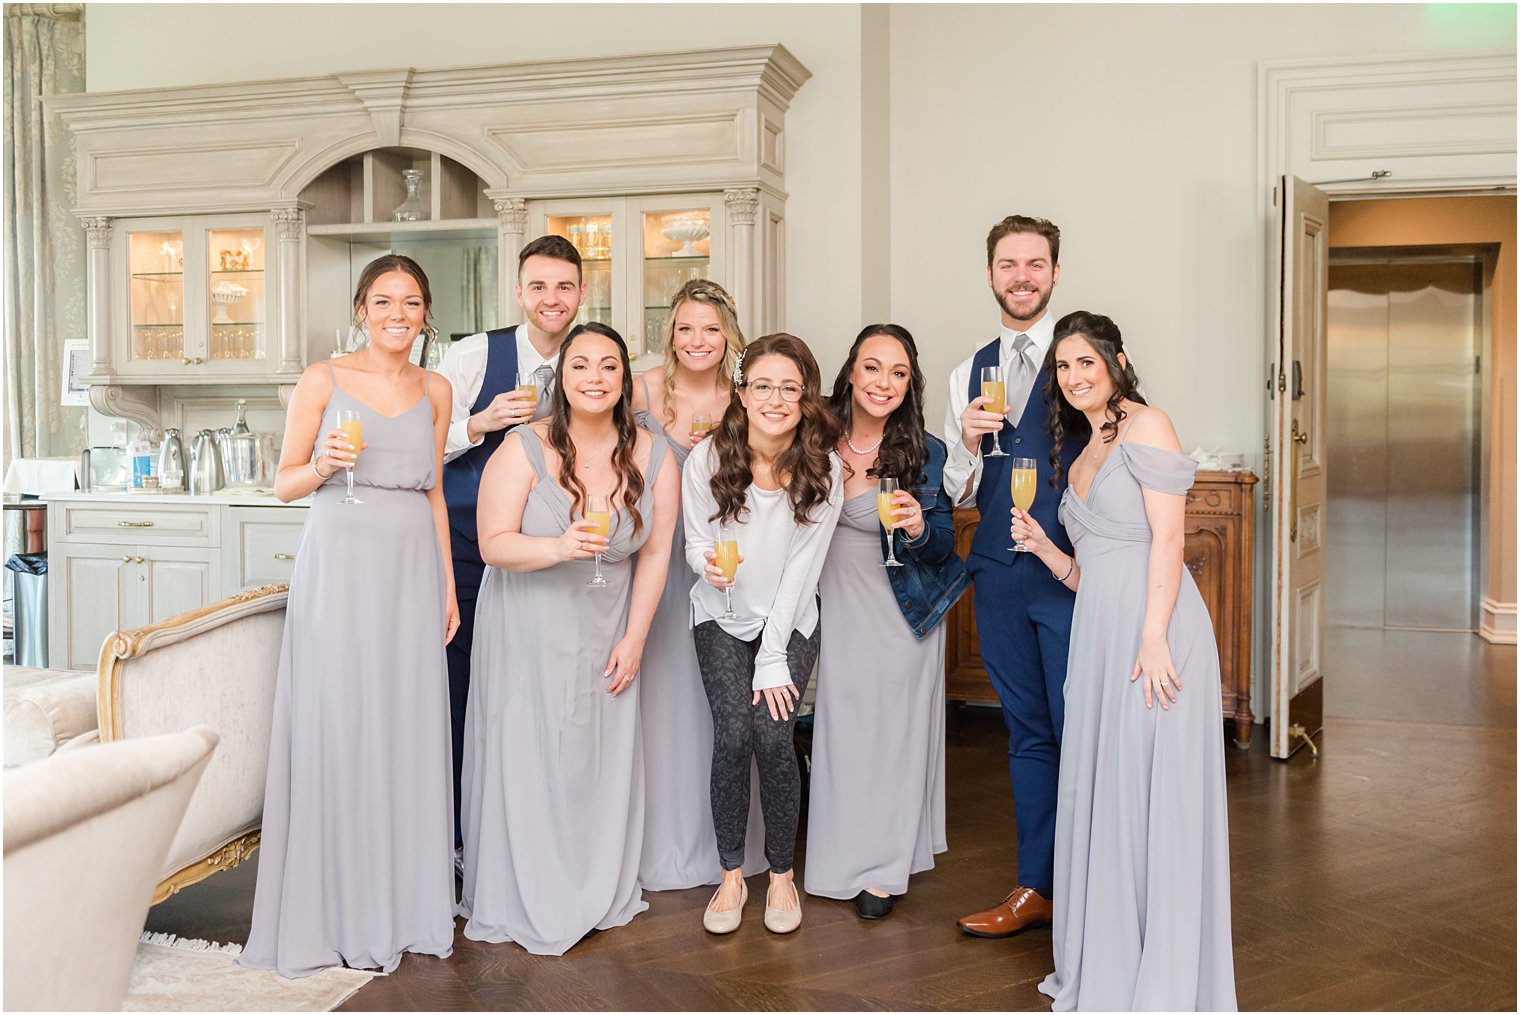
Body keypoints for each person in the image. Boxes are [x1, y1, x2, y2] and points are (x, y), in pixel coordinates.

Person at [1011, 312, 1237, 1010]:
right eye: (1063, 367)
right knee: (1105, 792)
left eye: (1087, 362)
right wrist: (1048, 551)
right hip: (1102, 634)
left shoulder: (1148, 424)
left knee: (1151, 795)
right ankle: (1110, 957)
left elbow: (1167, 541)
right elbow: (1094, 570)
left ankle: (1161, 978)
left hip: (1156, 635)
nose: (1075, 377)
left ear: (1117, 360)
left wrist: (1154, 633)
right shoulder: (1080, 449)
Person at [240, 254, 457, 976]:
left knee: (402, 724)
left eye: (413, 302)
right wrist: (325, 464)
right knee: (340, 720)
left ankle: (398, 904)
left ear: (427, 313)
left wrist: (450, 588)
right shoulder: (322, 379)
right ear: (362, 308)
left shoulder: (437, 388)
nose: (399, 314)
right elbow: (282, 485)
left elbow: (431, 492)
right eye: (385, 301)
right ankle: (330, 906)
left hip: (410, 568)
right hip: (338, 564)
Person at [459, 321, 677, 956]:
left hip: (609, 626)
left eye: (609, 367)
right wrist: (557, 546)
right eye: (581, 366)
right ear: (563, 378)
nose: (595, 379)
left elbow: (658, 552)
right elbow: (493, 544)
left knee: (594, 756)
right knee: (534, 754)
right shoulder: (524, 447)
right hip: (529, 627)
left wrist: (636, 636)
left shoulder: (651, 452)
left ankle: (593, 883)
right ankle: (532, 890)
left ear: (624, 379)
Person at [943, 215, 1078, 938]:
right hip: (997, 574)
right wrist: (963, 444)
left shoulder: (1082, 357)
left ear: (1055, 272)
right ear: (991, 273)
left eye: (1035, 263)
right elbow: (961, 491)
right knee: (1026, 733)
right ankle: (1036, 887)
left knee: (1080, 728)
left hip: (1067, 577)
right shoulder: (971, 369)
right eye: (1008, 264)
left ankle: (1092, 883)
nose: (1021, 276)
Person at [805, 324, 969, 919]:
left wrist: (920, 529)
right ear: (851, 371)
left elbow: (945, 541)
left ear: (910, 384)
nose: (884, 383)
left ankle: (883, 869)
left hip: (903, 608)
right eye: (873, 368)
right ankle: (841, 854)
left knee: (895, 738)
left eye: (898, 373)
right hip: (833, 606)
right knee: (844, 734)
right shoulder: (811, 434)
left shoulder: (925, 451)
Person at [683, 333, 843, 935]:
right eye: (763, 386)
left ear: (806, 399)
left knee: (774, 738)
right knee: (731, 736)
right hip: (720, 616)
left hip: (789, 620)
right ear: (743, 392)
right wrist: (707, 565)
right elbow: (696, 543)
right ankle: (731, 876)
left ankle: (780, 875)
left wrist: (773, 655)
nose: (775, 399)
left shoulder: (824, 470)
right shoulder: (705, 459)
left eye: (790, 389)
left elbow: (803, 574)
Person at [435, 234, 583, 857]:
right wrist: (478, 423)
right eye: (540, 286)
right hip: (471, 549)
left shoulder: (591, 359)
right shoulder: (473, 357)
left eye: (565, 286)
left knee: (538, 694)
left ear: (581, 293)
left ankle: (533, 827)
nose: (552, 299)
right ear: (519, 293)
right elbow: (417, 443)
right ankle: (460, 836)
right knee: (463, 689)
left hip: (555, 556)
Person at [629, 278, 764, 890]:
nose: (697, 340)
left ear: (729, 334)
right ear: (671, 332)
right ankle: (654, 843)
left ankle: (726, 848)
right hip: (655, 563)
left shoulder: (747, 398)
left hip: (725, 567)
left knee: (725, 712)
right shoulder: (640, 391)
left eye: (711, 328)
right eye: (685, 327)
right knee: (660, 701)